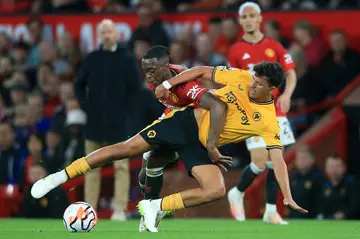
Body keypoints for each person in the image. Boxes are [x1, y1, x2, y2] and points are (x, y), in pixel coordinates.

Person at [31, 62, 307, 232]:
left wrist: (287, 194)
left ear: (272, 91)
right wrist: (167, 83)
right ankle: (58, 176)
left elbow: (278, 159)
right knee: (126, 149)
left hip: (200, 145)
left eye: (259, 84)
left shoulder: (270, 121)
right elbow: (199, 70)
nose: (252, 85)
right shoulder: (242, 78)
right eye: (254, 79)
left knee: (217, 189)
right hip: (184, 122)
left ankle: (155, 207)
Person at [226, 1, 297, 224]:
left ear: (259, 18)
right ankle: (237, 192)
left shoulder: (274, 47)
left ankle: (270, 211)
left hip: (275, 112)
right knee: (259, 160)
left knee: (275, 160)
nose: (248, 20)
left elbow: (291, 73)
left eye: (252, 16)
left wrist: (286, 95)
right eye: (244, 17)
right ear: (240, 21)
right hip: (252, 112)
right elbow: (232, 81)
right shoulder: (236, 51)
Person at [75, 19, 142, 220]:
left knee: (120, 167)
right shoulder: (92, 58)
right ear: (99, 34)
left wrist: (126, 112)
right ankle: (88, 210)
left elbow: (135, 90)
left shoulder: (126, 59)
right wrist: (86, 106)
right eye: (103, 31)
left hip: (118, 122)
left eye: (109, 31)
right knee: (91, 167)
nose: (106, 35)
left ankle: (119, 209)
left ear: (116, 34)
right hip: (95, 122)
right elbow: (79, 85)